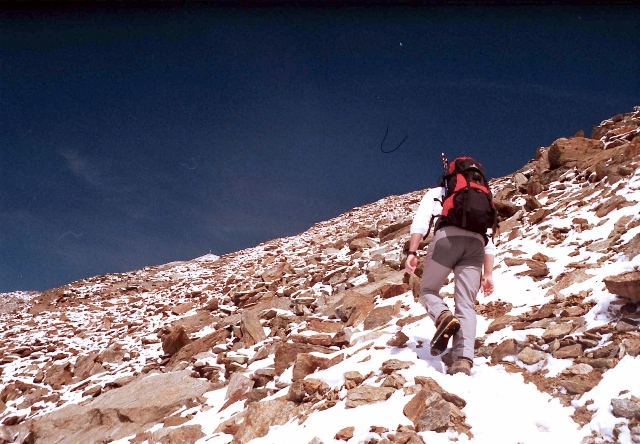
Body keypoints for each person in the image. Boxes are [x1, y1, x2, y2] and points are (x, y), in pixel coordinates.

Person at [405, 172, 495, 376]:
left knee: (427, 290)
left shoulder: (437, 193)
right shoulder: (482, 199)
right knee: (466, 304)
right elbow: (490, 240)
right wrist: (487, 274)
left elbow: (421, 222)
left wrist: (412, 252)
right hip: (476, 244)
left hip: (447, 239)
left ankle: (443, 316)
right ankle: (463, 360)